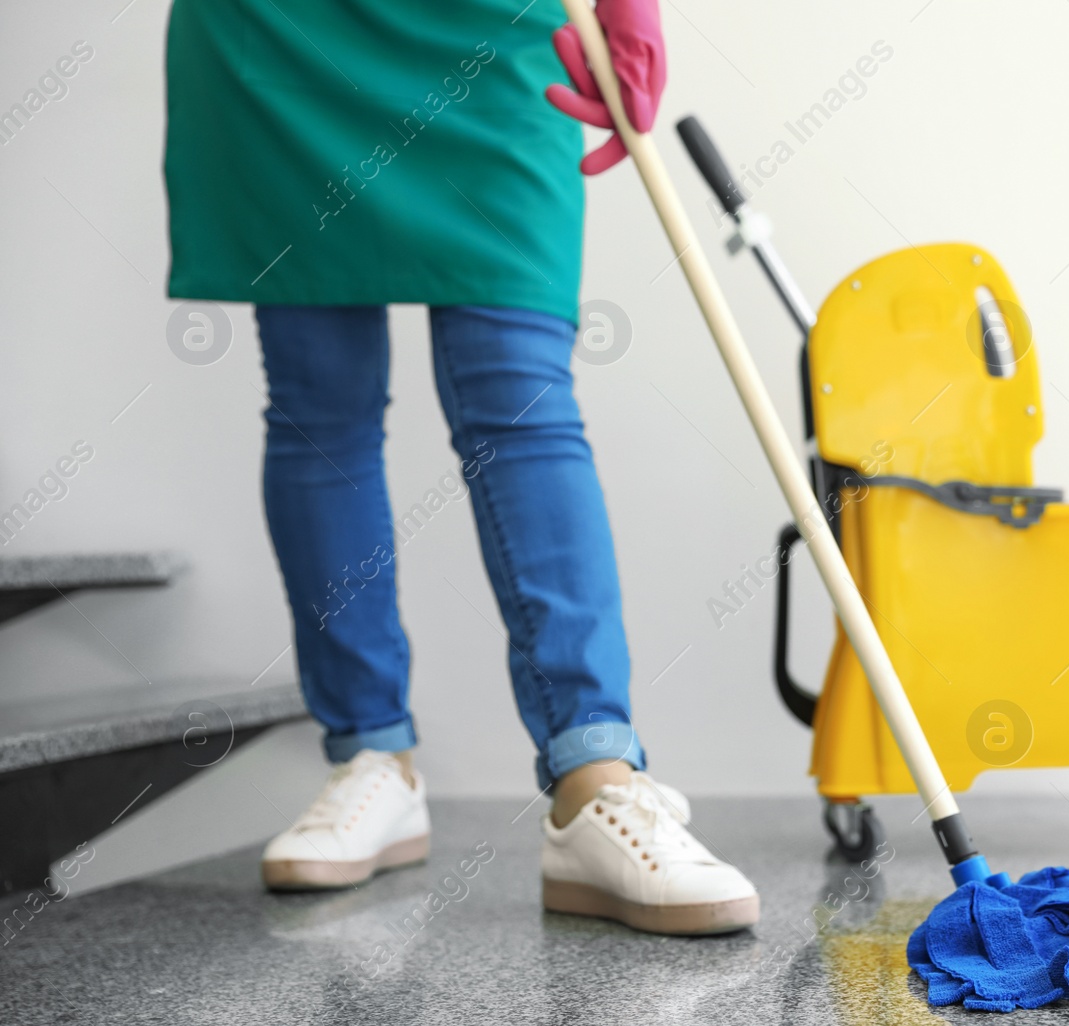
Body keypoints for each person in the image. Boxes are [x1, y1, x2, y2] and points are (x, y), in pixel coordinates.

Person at [163, 0, 758, 935]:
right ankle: (370, 757)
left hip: (493, 28)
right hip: (283, 30)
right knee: (319, 408)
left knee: (522, 399)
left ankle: (595, 775)